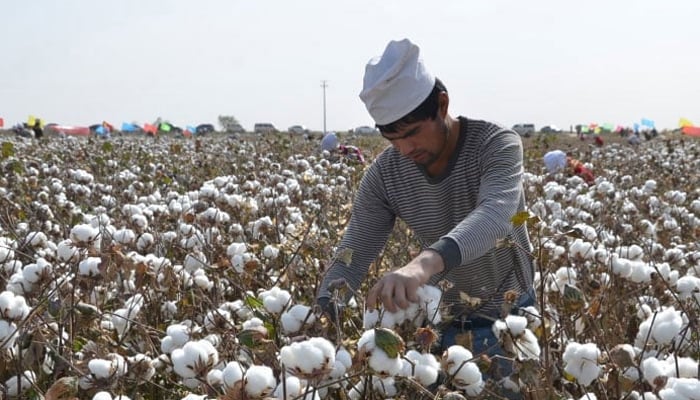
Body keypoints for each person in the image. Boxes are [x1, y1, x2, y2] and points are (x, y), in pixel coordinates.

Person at [316, 38, 534, 384]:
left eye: (413, 133)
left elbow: (496, 214)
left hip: (511, 319)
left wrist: (422, 266)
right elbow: (354, 249)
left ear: (442, 104)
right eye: (393, 139)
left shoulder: (495, 144)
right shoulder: (386, 174)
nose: (405, 149)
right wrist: (324, 311)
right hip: (441, 322)